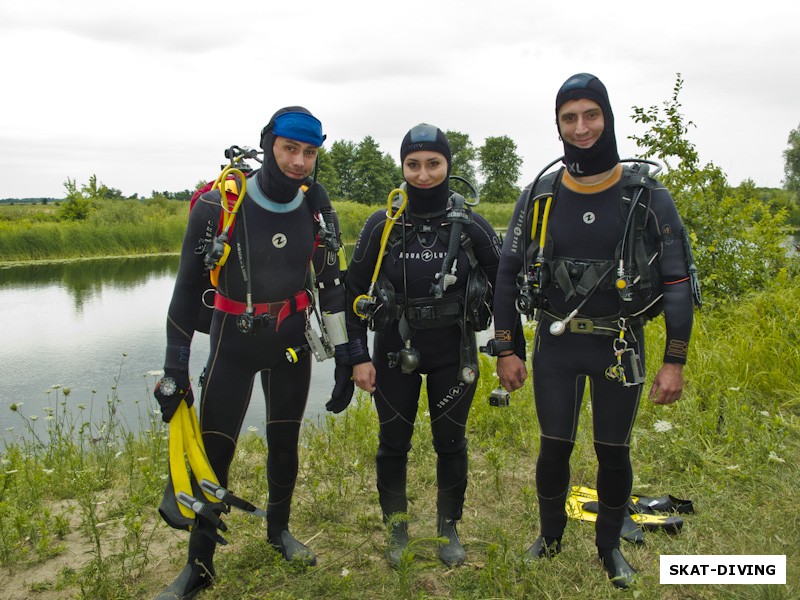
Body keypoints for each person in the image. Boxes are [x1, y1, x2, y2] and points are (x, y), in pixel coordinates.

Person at [491, 74, 696, 589]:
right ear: (558, 123)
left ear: (606, 117)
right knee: (553, 446)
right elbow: (507, 273)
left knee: (613, 451)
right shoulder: (539, 194)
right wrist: (506, 348)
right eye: (569, 117)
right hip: (556, 347)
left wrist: (675, 361)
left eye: (590, 115)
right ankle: (551, 536)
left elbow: (675, 281)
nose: (581, 128)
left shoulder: (646, 196)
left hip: (618, 345)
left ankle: (608, 548)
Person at [153, 106, 354, 599]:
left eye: (310, 153)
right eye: (290, 149)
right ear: (268, 143)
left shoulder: (316, 203)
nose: (299, 162)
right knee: (215, 450)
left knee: (284, 443)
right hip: (233, 339)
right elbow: (184, 293)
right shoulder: (219, 202)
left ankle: (278, 531)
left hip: (289, 339)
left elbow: (330, 284)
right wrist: (174, 368)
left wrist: (346, 355)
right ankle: (199, 565)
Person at [343, 124, 502, 567]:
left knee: (450, 442)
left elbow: (505, 284)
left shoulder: (470, 225)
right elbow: (351, 290)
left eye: (434, 163)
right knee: (393, 442)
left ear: (449, 166)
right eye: (413, 164)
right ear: (403, 167)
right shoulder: (383, 225)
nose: (423, 174)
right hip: (394, 349)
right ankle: (397, 530)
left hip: (455, 351)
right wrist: (356, 356)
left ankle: (447, 529)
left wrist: (509, 347)